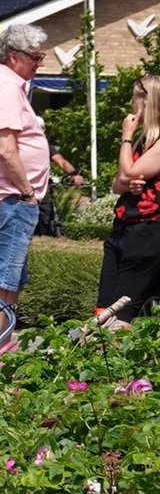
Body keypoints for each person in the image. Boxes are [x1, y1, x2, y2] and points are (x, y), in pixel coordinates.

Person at [0, 22, 52, 324]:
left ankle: (2, 347)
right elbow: (6, 149)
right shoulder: (5, 89)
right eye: (35, 58)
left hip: (10, 197)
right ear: (14, 57)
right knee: (2, 280)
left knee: (12, 279)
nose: (39, 65)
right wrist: (28, 193)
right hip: (12, 197)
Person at [99, 73, 160, 322]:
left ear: (148, 101)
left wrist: (126, 135)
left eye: (136, 98)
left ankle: (113, 356)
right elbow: (118, 183)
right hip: (123, 227)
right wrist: (129, 183)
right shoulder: (141, 141)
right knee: (104, 305)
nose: (132, 105)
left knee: (122, 307)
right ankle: (102, 351)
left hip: (147, 232)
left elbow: (129, 171)